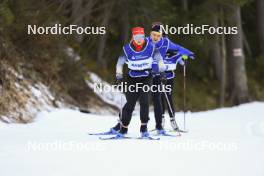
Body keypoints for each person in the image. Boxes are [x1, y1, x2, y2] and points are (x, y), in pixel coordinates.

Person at [109, 26, 164, 138]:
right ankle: (123, 128)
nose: (139, 39)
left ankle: (144, 128)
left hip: (146, 78)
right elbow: (119, 63)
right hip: (132, 78)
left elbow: (159, 60)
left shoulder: (151, 47)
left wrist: (161, 71)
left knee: (144, 101)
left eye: (141, 36)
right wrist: (119, 76)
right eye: (136, 36)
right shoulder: (127, 49)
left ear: (144, 36)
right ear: (133, 37)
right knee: (130, 103)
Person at [146, 22, 194, 134]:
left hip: (169, 76)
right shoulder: (156, 47)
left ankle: (172, 120)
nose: (163, 39)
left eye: (164, 36)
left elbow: (181, 59)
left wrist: (184, 59)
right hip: (157, 75)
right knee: (159, 98)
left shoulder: (171, 49)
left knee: (168, 96)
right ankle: (161, 121)